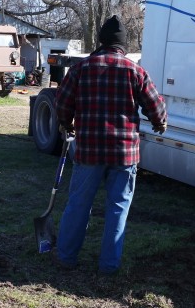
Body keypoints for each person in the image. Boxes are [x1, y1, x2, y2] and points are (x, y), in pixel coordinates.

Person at [54, 15, 167, 274]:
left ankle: (66, 258)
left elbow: (62, 103)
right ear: (123, 45)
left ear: (101, 41)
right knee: (118, 209)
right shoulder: (136, 71)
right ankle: (109, 266)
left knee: (79, 204)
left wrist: (66, 122)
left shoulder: (81, 69)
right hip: (124, 154)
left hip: (89, 152)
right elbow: (155, 107)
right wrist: (160, 123)